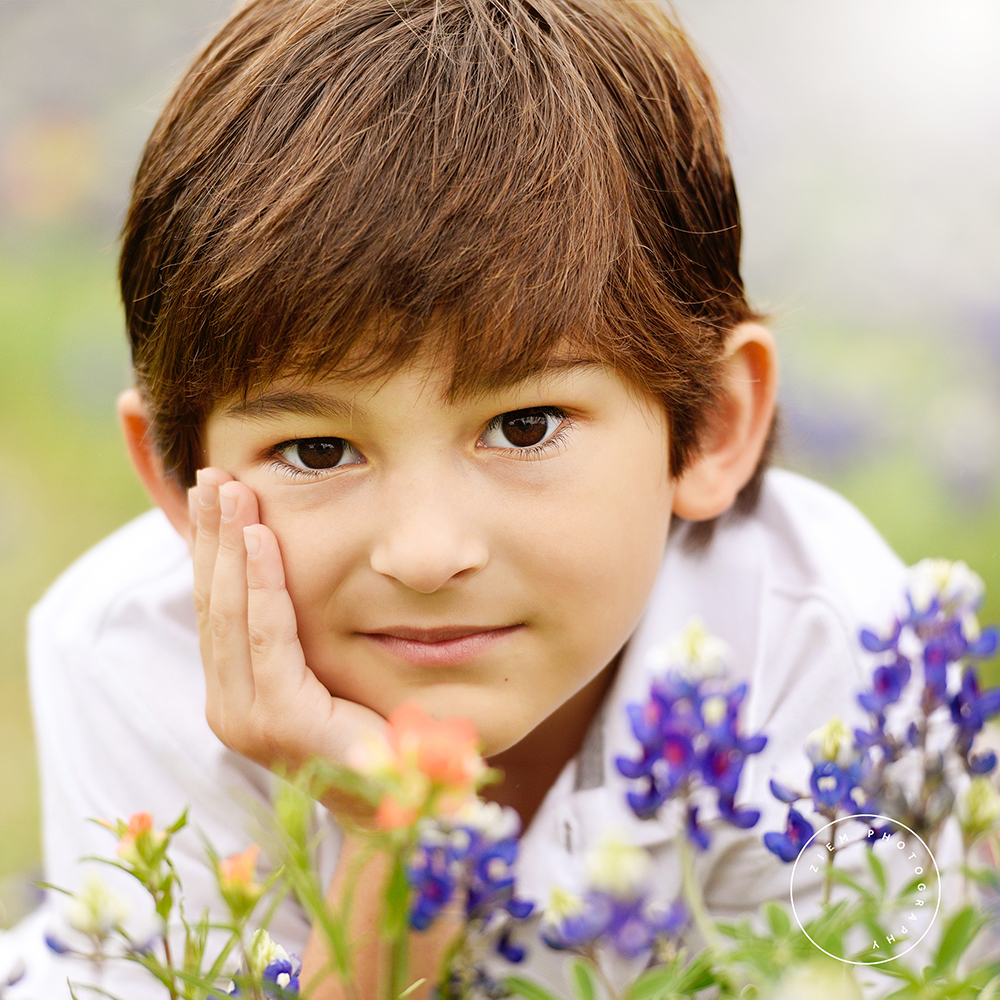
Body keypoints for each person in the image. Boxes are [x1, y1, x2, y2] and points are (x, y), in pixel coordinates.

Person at [4, 1, 907, 996]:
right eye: (315, 447)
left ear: (714, 426)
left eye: (524, 427)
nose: (426, 553)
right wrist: (403, 826)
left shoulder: (828, 634)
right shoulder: (129, 653)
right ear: (177, 480)